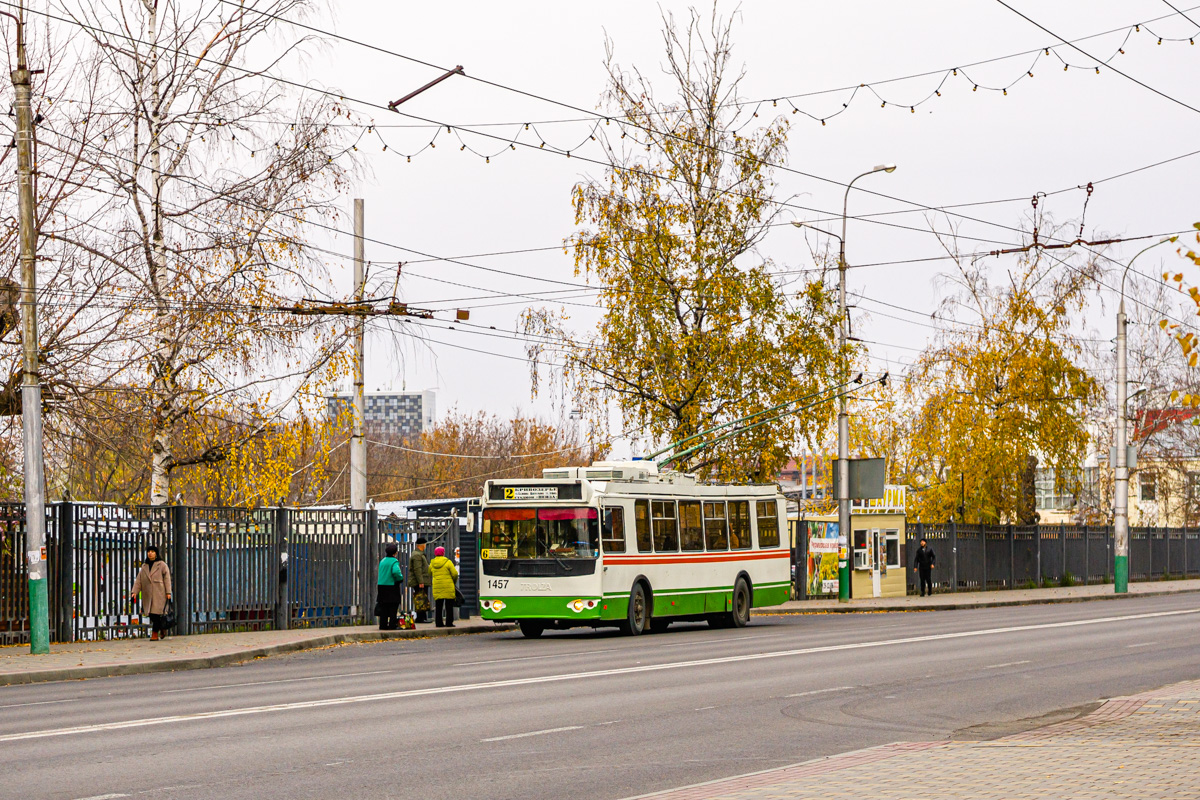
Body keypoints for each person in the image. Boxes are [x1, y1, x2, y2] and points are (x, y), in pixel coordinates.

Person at [129, 545, 172, 640]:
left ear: (156, 553)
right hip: (147, 595)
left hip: (159, 594)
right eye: (149, 551)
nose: (150, 553)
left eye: (152, 551)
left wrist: (168, 592)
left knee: (156, 614)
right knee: (151, 614)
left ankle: (154, 635)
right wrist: (134, 592)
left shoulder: (162, 565)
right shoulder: (144, 566)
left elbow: (167, 579)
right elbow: (139, 580)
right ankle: (162, 628)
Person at [430, 545, 459, 628]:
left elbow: (429, 572)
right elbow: (454, 574)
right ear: (443, 553)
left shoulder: (432, 563)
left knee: (438, 605)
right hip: (448, 586)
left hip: (437, 586)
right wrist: (453, 582)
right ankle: (449, 622)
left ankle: (439, 623)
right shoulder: (448, 562)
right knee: (449, 605)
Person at [376, 543, 404, 631]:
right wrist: (400, 578)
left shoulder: (382, 561)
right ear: (395, 553)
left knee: (384, 606)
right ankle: (392, 624)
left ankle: (383, 625)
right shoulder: (394, 561)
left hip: (381, 585)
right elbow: (396, 572)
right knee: (393, 606)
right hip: (391, 586)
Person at [408, 537, 433, 623]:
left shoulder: (419, 554)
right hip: (419, 581)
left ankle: (423, 617)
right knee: (420, 599)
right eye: (425, 544)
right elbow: (417, 569)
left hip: (422, 580)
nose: (425, 546)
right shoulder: (417, 555)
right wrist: (421, 582)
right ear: (422, 545)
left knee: (422, 599)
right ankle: (420, 618)